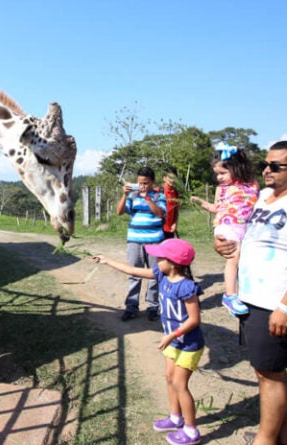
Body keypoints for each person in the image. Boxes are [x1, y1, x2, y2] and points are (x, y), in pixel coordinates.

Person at [215, 140, 287, 445]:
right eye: (266, 164)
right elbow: (253, 237)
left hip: (277, 306)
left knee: (269, 375)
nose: (267, 171)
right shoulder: (266, 197)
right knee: (270, 372)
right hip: (254, 302)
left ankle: (264, 440)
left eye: (276, 166)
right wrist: (226, 245)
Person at [93, 238, 204, 445]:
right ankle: (175, 418)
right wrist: (107, 261)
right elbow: (133, 271)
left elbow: (194, 319)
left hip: (188, 344)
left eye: (160, 257)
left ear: (173, 262)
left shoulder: (187, 287)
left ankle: (191, 431)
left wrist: (172, 335)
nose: (156, 259)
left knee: (180, 385)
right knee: (170, 379)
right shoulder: (161, 275)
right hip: (173, 342)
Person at [190, 143, 258, 316]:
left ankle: (243, 293)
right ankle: (230, 295)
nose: (219, 178)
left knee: (245, 260)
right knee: (234, 257)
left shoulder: (252, 185)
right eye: (217, 174)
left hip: (246, 226)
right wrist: (201, 202)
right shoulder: (222, 189)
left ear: (237, 167)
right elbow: (217, 208)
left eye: (222, 173)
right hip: (227, 225)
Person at [116, 166, 167, 321]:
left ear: (152, 182)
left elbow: (160, 213)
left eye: (145, 183)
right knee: (134, 274)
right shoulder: (133, 195)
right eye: (140, 183)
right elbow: (119, 212)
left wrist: (147, 198)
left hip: (155, 241)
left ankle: (153, 306)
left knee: (155, 275)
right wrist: (125, 195)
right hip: (135, 240)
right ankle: (131, 307)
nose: (142, 186)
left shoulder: (159, 196)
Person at [160, 166, 182, 239]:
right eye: (170, 178)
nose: (172, 180)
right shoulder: (158, 191)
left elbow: (176, 211)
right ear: (164, 178)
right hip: (158, 228)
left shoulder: (176, 194)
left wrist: (175, 223)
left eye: (174, 178)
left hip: (170, 229)